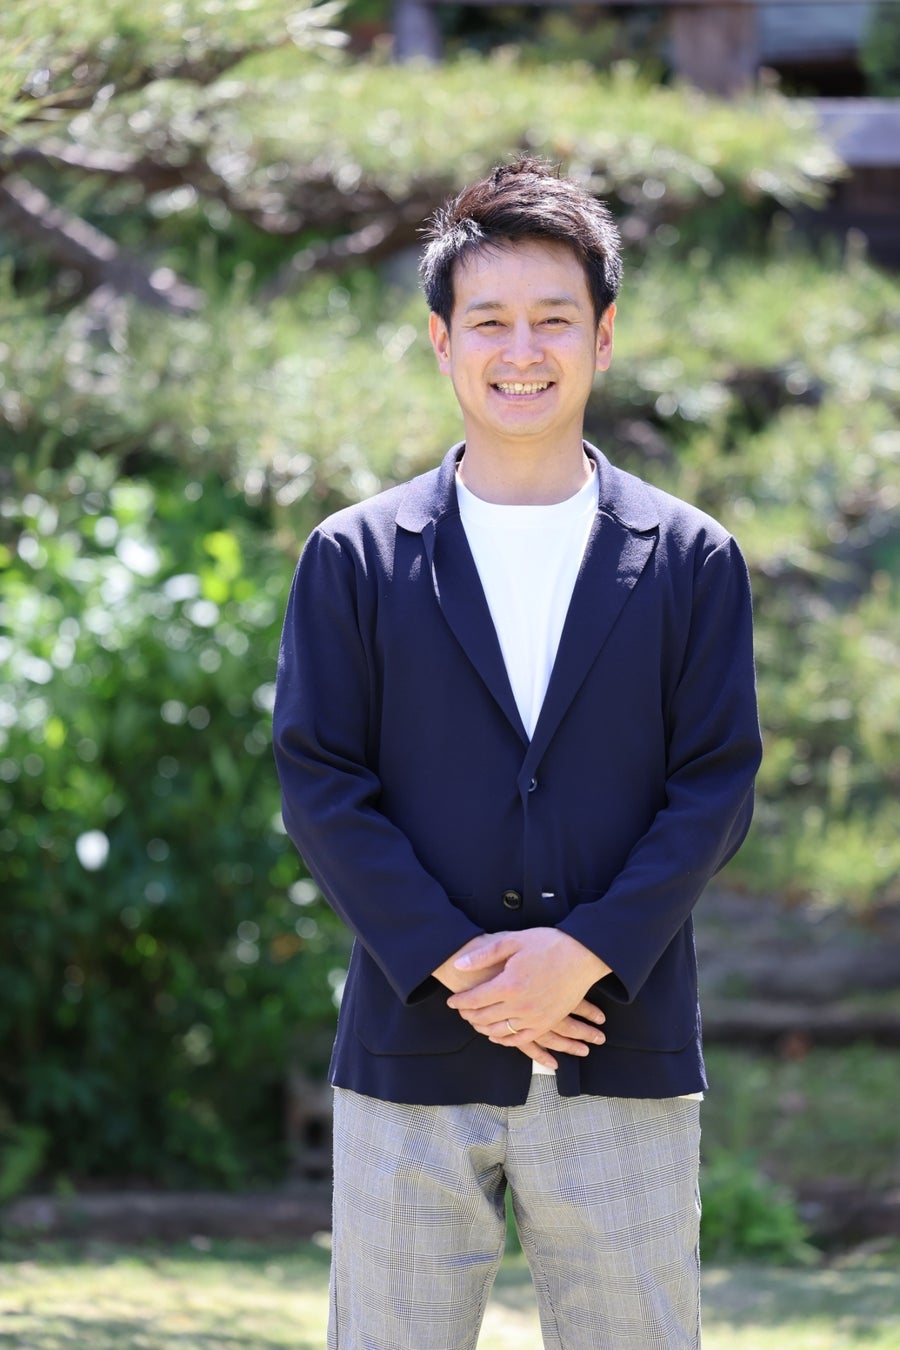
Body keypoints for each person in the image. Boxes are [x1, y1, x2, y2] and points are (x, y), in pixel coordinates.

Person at [273, 158, 762, 1350]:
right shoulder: (355, 557)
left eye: (554, 318)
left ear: (604, 336)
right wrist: (465, 968)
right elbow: (322, 784)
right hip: (409, 1048)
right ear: (442, 341)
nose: (522, 349)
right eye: (489, 320)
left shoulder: (691, 558)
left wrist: (581, 956)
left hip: (620, 1046)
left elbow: (714, 787)